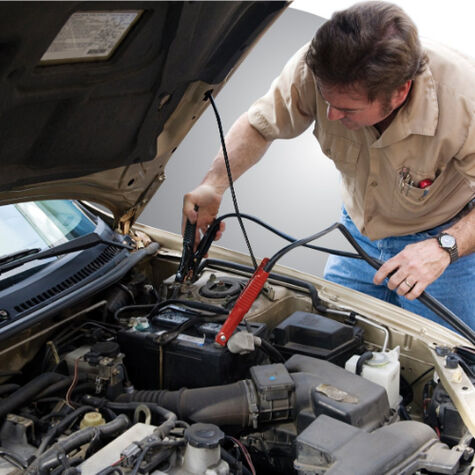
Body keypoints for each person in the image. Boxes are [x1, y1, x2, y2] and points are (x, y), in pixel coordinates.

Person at [182, 1, 475, 330]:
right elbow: (259, 125)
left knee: (451, 365)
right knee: (329, 343)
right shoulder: (317, 66)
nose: (332, 115)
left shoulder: (465, 98)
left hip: (444, 243)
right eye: (326, 101)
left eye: (347, 109)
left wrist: (444, 248)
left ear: (399, 92)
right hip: (358, 236)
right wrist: (214, 183)